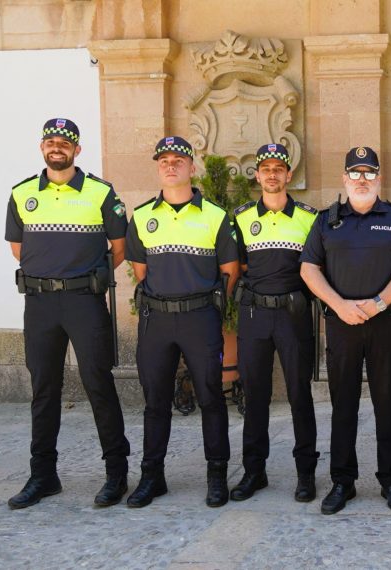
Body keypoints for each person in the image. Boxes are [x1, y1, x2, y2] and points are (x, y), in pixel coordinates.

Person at [4, 118, 131, 509]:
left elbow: (120, 247)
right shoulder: (22, 192)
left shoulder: (100, 192)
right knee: (43, 390)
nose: (56, 148)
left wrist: (82, 276)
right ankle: (43, 476)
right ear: (42, 147)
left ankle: (117, 474)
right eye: (51, 141)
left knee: (98, 384)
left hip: (83, 302)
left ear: (77, 149)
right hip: (39, 304)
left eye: (65, 143)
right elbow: (17, 248)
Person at [300, 146, 391, 515]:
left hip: (384, 322)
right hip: (342, 325)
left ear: (379, 179)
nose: (362, 180)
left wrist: (379, 303)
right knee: (343, 404)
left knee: (387, 401)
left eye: (369, 173)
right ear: (345, 179)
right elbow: (309, 269)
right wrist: (339, 305)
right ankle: (343, 481)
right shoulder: (326, 221)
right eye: (356, 173)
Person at [124, 136, 241, 508]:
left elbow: (230, 270)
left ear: (193, 167)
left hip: (200, 317)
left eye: (178, 160)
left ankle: (217, 475)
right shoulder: (142, 216)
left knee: (211, 397)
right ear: (158, 167)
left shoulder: (216, 216)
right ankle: (152, 476)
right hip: (156, 319)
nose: (170, 166)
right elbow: (140, 270)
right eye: (164, 160)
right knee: (155, 401)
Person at [228, 144, 320, 503]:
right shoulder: (241, 217)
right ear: (257, 175)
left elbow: (317, 268)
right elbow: (236, 267)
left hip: (293, 315)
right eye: (265, 168)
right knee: (255, 397)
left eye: (278, 168)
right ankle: (254, 472)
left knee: (300, 395)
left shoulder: (310, 218)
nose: (271, 174)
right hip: (254, 315)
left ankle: (306, 474)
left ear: (289, 175)